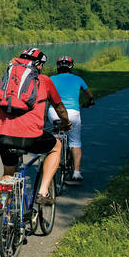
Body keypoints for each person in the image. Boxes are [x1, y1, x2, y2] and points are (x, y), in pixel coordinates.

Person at [0, 48, 70, 204]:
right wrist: (66, 123)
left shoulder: (10, 80)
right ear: (39, 65)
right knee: (56, 147)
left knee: (8, 173)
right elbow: (60, 108)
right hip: (30, 137)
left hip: (3, 135)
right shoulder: (44, 80)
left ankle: (5, 210)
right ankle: (43, 192)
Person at [48, 55, 95, 185]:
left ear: (58, 67)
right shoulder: (78, 79)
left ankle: (52, 163)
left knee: (55, 137)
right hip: (73, 113)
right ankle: (76, 172)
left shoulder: (51, 79)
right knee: (75, 142)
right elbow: (89, 94)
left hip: (54, 112)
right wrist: (90, 101)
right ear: (71, 67)